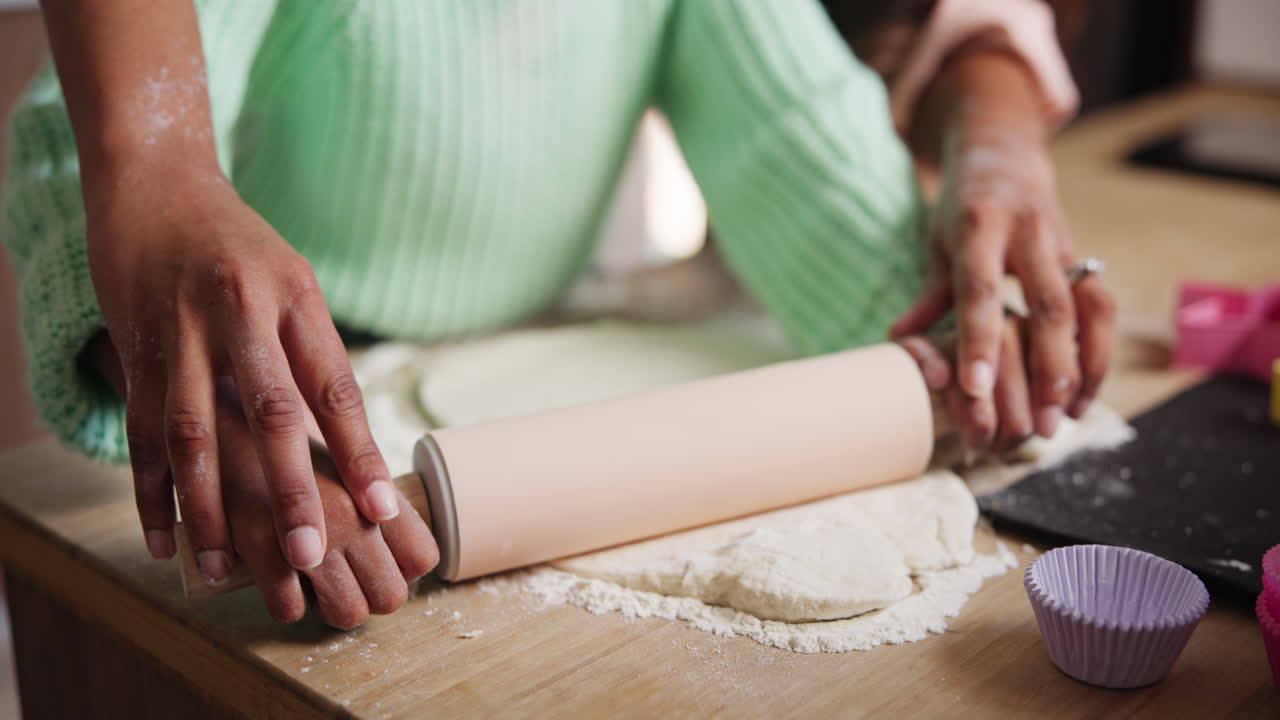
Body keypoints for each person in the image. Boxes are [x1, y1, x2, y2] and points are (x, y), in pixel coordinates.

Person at [4, 0, 1113, 628]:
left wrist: (954, 315)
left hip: (531, 352)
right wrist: (200, 374)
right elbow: (81, 154)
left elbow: (795, 139)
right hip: (300, 402)